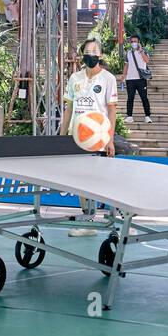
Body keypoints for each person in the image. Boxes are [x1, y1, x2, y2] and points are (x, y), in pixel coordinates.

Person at [62, 39, 117, 236]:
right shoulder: (75, 78)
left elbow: (112, 111)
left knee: (97, 180)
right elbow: (68, 108)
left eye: (94, 51)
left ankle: (111, 216)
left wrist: (110, 138)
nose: (90, 54)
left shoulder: (108, 79)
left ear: (100, 55)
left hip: (98, 138)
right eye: (87, 51)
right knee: (80, 181)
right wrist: (62, 134)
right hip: (77, 137)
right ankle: (88, 221)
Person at [122, 35, 153, 123]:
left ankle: (147, 116)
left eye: (135, 41)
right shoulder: (128, 53)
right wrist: (123, 76)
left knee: (144, 98)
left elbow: (147, 61)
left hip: (141, 79)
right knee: (130, 98)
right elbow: (126, 65)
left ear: (138, 42)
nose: (133, 43)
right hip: (130, 79)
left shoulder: (144, 51)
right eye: (131, 42)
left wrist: (141, 52)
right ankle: (129, 116)